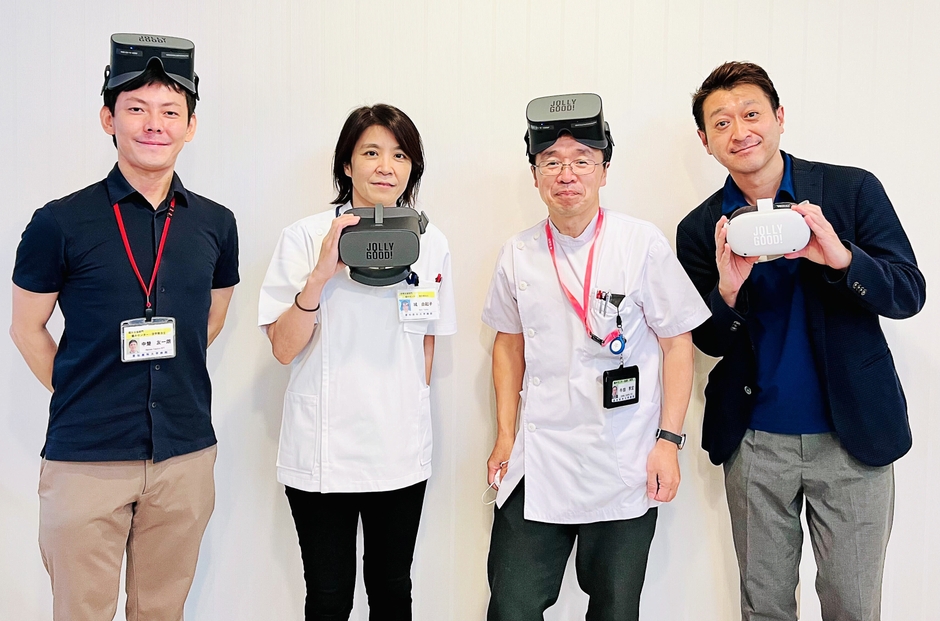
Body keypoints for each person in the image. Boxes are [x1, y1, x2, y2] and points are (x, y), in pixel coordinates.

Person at [676, 61, 926, 621]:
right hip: (755, 442)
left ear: (779, 117)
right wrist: (728, 290)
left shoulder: (850, 190)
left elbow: (908, 293)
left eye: (751, 113)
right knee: (763, 607)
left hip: (853, 436)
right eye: (721, 122)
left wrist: (841, 259)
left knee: (853, 606)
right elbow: (708, 341)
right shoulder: (699, 229)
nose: (739, 131)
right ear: (705, 141)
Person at [10, 33, 239, 621]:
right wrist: (82, 389)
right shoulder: (59, 223)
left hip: (184, 455)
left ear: (191, 126)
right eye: (136, 108)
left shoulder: (216, 224)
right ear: (108, 119)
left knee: (162, 611)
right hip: (85, 457)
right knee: (81, 612)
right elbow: (27, 328)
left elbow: (211, 317)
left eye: (170, 112)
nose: (154, 124)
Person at [481, 93, 710, 621]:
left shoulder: (640, 243)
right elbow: (508, 344)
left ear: (604, 171)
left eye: (582, 160)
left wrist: (669, 441)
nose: (567, 174)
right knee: (511, 606)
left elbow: (677, 343)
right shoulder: (518, 253)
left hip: (623, 455)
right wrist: (505, 435)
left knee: (614, 609)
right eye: (551, 162)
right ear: (535, 175)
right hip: (539, 459)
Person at [258, 104, 456, 620]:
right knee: (329, 597)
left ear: (412, 168)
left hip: (399, 447)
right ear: (347, 164)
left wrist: (410, 406)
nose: (386, 167)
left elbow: (427, 341)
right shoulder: (305, 236)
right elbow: (283, 348)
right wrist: (320, 276)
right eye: (371, 153)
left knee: (392, 591)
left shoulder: (431, 241)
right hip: (323, 452)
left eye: (400, 155)